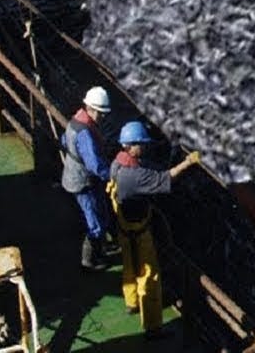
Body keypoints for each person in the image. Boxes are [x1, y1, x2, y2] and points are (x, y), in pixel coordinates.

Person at [107, 121, 200, 338]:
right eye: (141, 144)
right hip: (138, 230)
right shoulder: (136, 176)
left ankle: (131, 302)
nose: (145, 147)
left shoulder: (117, 164)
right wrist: (187, 162)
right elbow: (165, 179)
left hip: (123, 225)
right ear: (131, 145)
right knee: (150, 276)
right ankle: (153, 327)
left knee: (129, 266)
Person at [61, 85, 116, 271]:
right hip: (84, 182)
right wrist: (114, 176)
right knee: (96, 223)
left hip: (76, 175)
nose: (103, 117)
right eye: (100, 113)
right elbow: (95, 165)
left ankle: (101, 246)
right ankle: (90, 260)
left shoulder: (75, 121)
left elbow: (64, 141)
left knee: (101, 212)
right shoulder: (85, 132)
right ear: (90, 108)